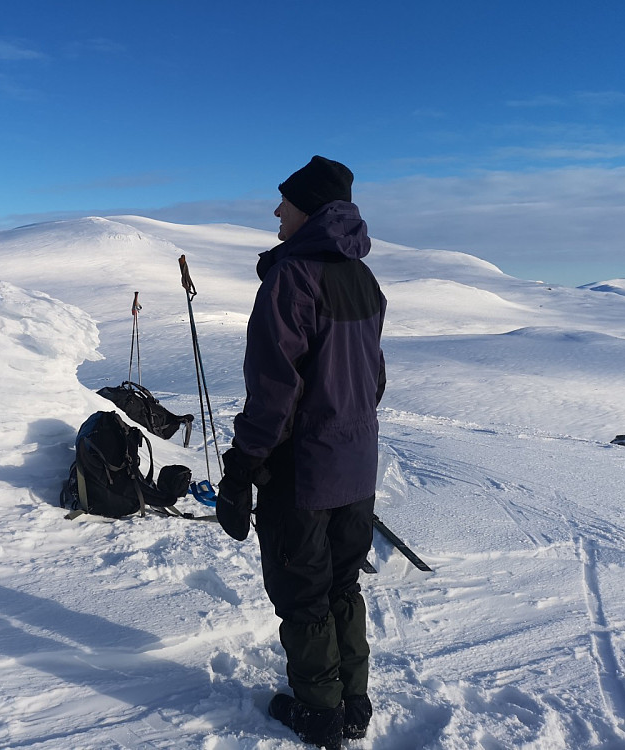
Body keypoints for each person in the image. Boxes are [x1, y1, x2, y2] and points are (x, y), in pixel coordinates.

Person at [216, 155, 386, 749]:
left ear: (309, 208)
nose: (275, 211)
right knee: (342, 584)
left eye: (284, 201)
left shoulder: (293, 276)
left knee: (303, 593)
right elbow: (373, 380)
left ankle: (319, 713)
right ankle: (354, 702)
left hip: (303, 472)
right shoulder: (363, 278)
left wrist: (240, 470)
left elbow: (274, 390)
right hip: (357, 465)